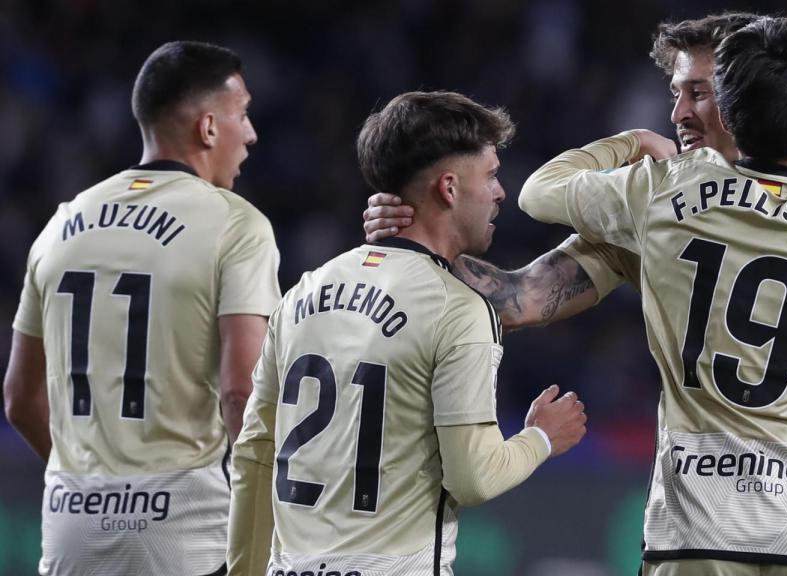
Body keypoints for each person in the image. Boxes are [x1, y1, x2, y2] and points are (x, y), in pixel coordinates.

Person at [364, 11, 787, 562]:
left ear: (740, 98)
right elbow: (517, 299)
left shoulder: (657, 202)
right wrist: (418, 237)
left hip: (694, 530)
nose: (678, 114)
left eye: (698, 93)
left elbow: (518, 280)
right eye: (675, 93)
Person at [226, 91, 587, 576]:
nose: (500, 193)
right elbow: (473, 478)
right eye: (492, 176)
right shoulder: (460, 310)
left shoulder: (302, 294)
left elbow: (253, 453)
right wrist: (541, 438)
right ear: (449, 188)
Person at [2, 41, 280, 574]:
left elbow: (19, 397)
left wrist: (87, 485)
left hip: (69, 533)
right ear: (207, 128)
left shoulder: (59, 226)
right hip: (182, 541)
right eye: (242, 115)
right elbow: (241, 391)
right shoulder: (237, 226)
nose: (251, 134)